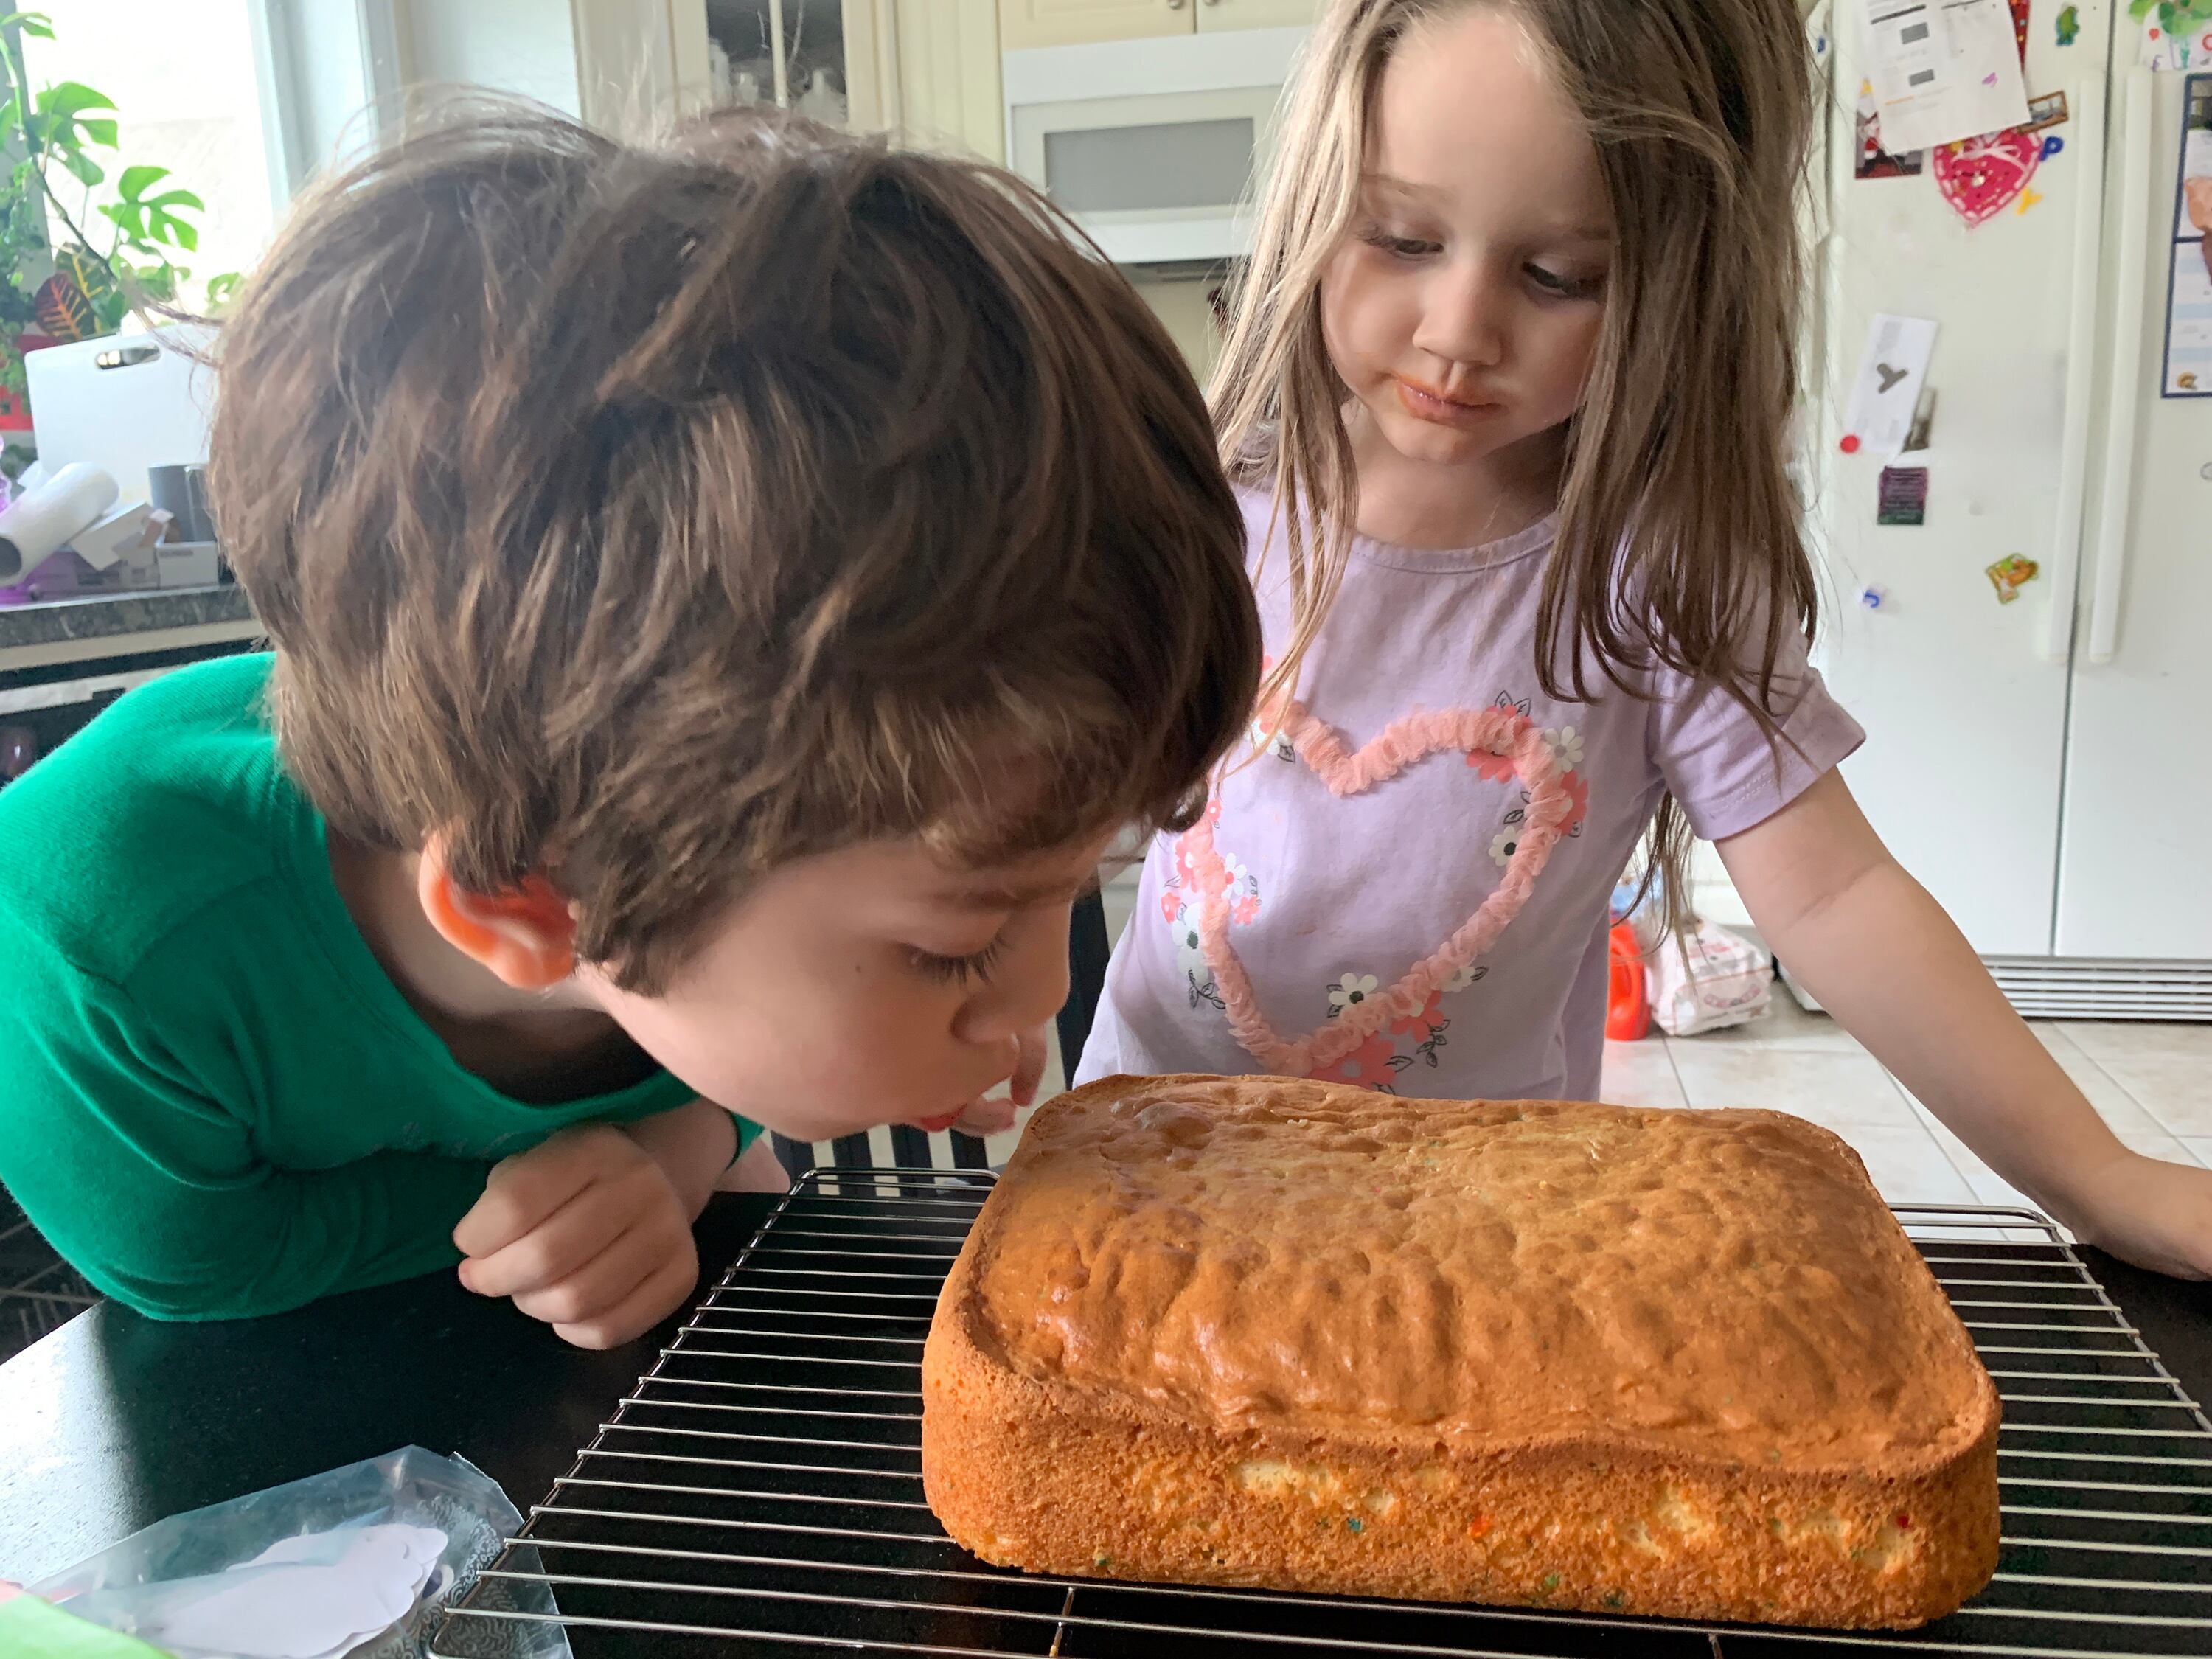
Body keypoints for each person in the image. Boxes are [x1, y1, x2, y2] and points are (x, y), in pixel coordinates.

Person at [0, 105, 1261, 1346]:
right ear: (533, 901)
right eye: (959, 946)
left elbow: (710, 1030)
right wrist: (650, 1159)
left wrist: (685, 1140)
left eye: (1062, 895)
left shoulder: (656, 837)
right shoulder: (96, 959)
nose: (1046, 998)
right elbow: (203, 1264)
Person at [1079, 0, 2212, 1278]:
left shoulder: (1654, 573)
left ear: (1677, 286)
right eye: (1401, 237)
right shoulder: (1199, 495)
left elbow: (1835, 895)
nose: (1458, 330)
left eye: (1558, 275)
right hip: (1147, 1173)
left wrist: (2102, 1176)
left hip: (1469, 1236)